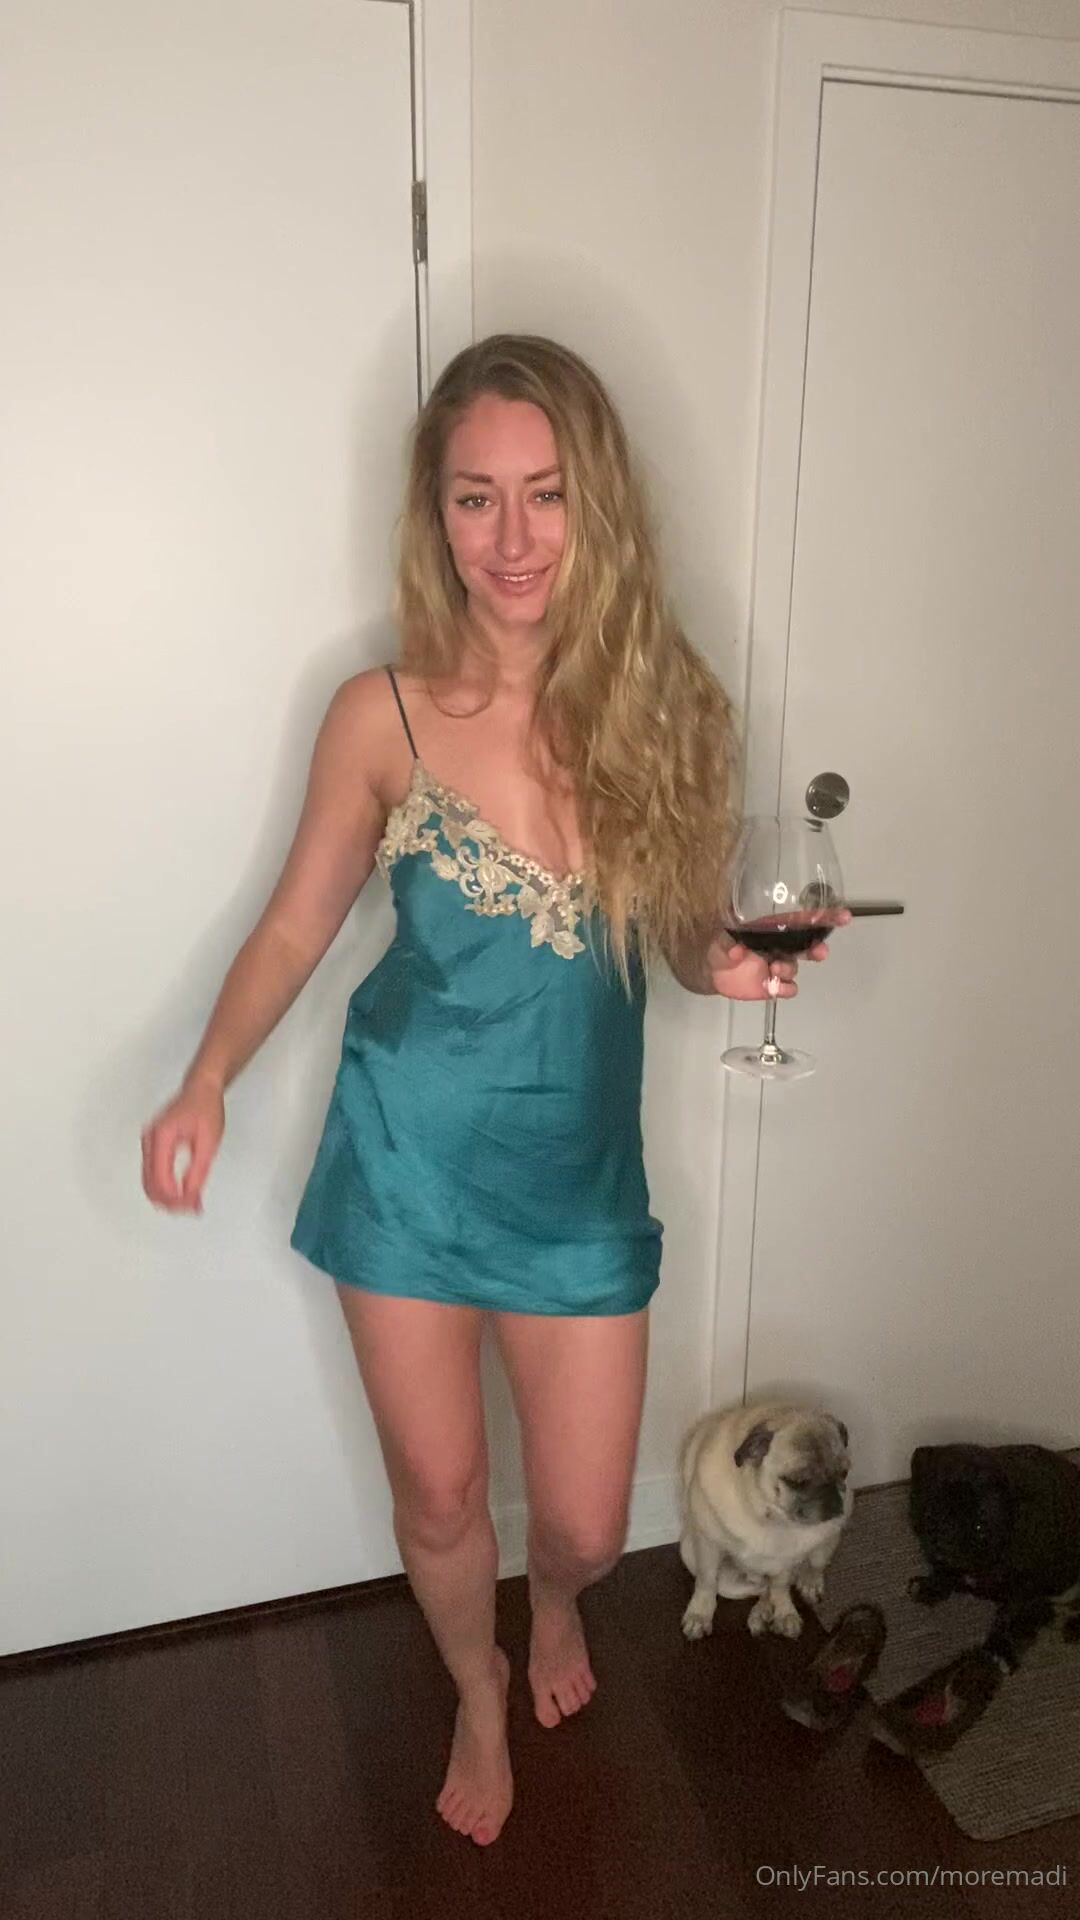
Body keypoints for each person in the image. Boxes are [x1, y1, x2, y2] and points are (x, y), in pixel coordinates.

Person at [141, 334, 833, 1847]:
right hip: (402, 1164)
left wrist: (736, 965)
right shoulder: (378, 715)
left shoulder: (673, 711)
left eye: (547, 494)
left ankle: (557, 1606)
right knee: (447, 1498)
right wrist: (206, 1078)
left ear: (600, 505)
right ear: (435, 512)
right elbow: (295, 926)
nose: (512, 539)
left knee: (580, 1522)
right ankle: (476, 1684)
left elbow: (678, 938)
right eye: (476, 498)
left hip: (577, 1188)